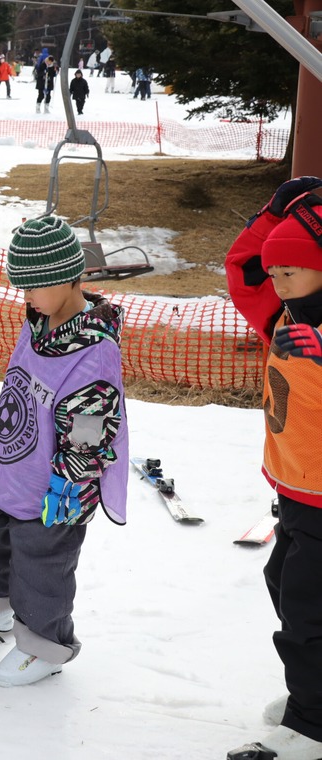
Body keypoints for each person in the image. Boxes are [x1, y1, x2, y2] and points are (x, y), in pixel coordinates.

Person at [0, 215, 128, 687]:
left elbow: (89, 423)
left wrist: (71, 482)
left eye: (33, 286)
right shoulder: (38, 321)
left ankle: (44, 646)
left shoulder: (93, 349)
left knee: (42, 567)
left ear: (66, 277)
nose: (26, 296)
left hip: (54, 481)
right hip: (5, 464)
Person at [224, 178, 322, 760]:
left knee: (309, 611)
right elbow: (245, 267)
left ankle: (311, 725)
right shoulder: (282, 315)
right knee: (284, 585)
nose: (276, 281)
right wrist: (277, 210)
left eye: (291, 270)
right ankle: (314, 699)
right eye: (276, 271)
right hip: (294, 491)